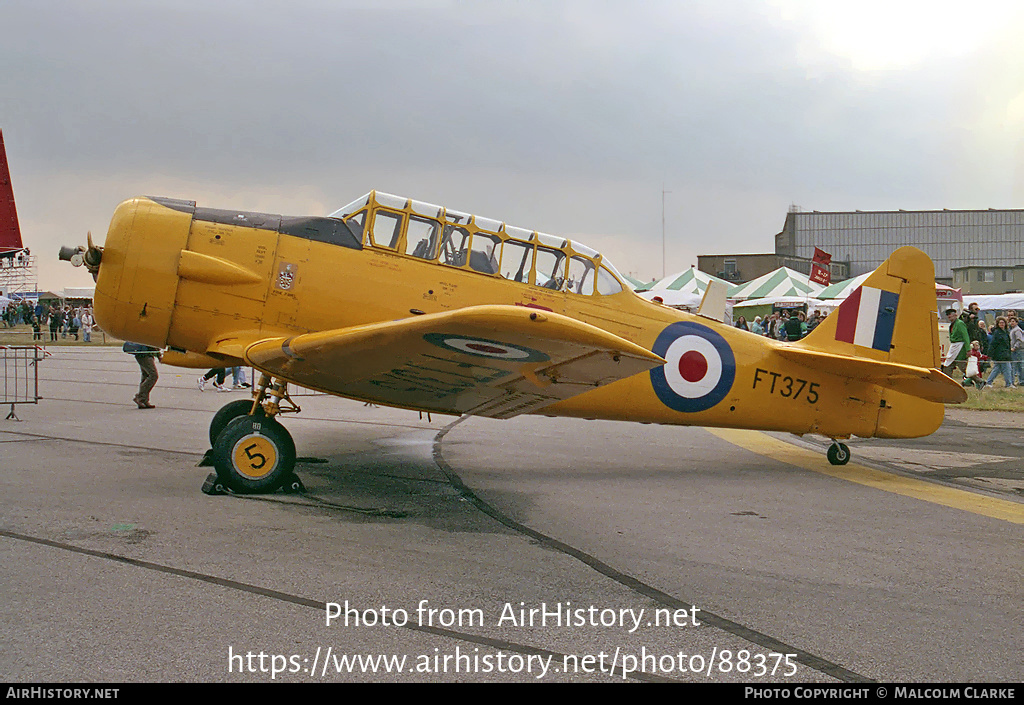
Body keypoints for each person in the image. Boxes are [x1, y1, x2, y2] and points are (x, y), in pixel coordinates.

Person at [124, 342, 161, 409]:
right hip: (144, 355)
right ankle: (140, 397)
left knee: (146, 376)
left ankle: (144, 400)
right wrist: (159, 355)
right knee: (153, 375)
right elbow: (153, 343)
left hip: (143, 354)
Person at [982, 317, 1015, 390]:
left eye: (1003, 323)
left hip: (1006, 353)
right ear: (997, 324)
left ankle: (988, 382)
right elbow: (993, 344)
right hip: (1000, 354)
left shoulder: (1006, 331)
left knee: (996, 369)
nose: (1002, 324)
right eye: (1000, 323)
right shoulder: (997, 332)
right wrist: (990, 354)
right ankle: (1009, 384)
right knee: (1007, 368)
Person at [944, 308, 970, 376]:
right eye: (948, 315)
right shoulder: (952, 324)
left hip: (960, 347)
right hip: (954, 347)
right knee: (948, 365)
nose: (949, 316)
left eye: (950, 314)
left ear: (955, 315)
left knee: (962, 366)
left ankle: (979, 381)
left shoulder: (960, 323)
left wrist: (968, 349)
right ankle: (948, 383)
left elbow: (965, 336)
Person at [1009, 316, 1024, 386]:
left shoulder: (1017, 330)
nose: (1012, 323)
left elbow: (1020, 340)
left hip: (1018, 350)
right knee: (1017, 366)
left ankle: (1021, 381)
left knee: (1018, 366)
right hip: (1015, 350)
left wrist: (1014, 347)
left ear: (1017, 322)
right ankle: (1020, 380)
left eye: (1013, 321)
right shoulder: (1012, 330)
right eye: (1011, 321)